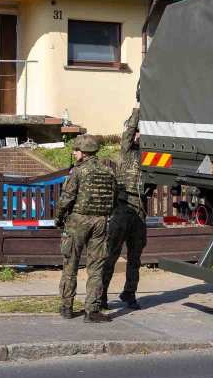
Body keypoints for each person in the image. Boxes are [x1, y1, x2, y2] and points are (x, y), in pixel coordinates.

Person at [55, 134, 116, 323]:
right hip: (100, 222)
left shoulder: (78, 172)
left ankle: (66, 307)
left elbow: (67, 198)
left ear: (83, 152)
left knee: (70, 264)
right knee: (96, 267)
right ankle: (92, 311)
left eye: (76, 150)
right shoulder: (108, 172)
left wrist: (58, 218)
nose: (74, 152)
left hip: (78, 221)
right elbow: (113, 199)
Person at [102, 107, 148, 310]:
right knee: (111, 253)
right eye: (137, 132)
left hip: (139, 210)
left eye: (141, 133)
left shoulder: (149, 156)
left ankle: (129, 292)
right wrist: (139, 109)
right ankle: (101, 293)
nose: (137, 136)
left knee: (135, 256)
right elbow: (128, 132)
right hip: (122, 207)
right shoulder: (127, 151)